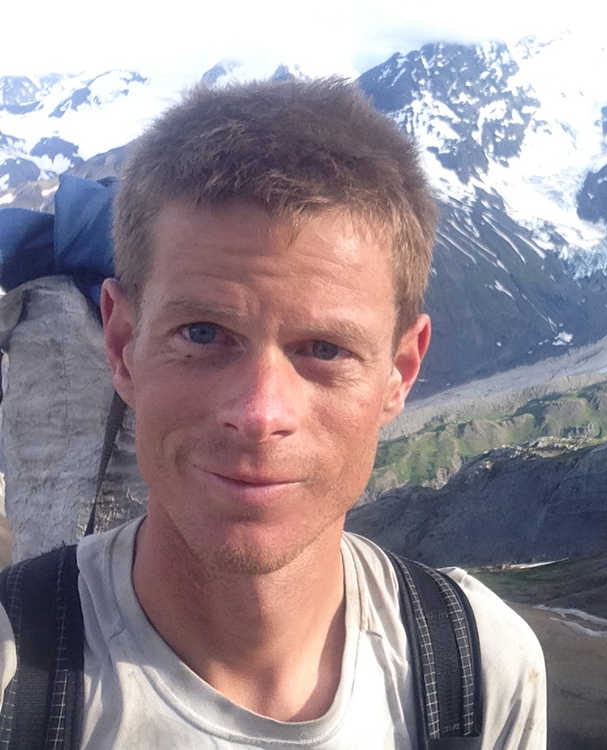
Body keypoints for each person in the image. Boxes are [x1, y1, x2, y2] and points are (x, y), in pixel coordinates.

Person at [0, 77, 545, 747]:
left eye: (324, 348)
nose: (259, 413)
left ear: (400, 372)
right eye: (202, 334)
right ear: (121, 346)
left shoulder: (483, 673)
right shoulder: (11, 681)